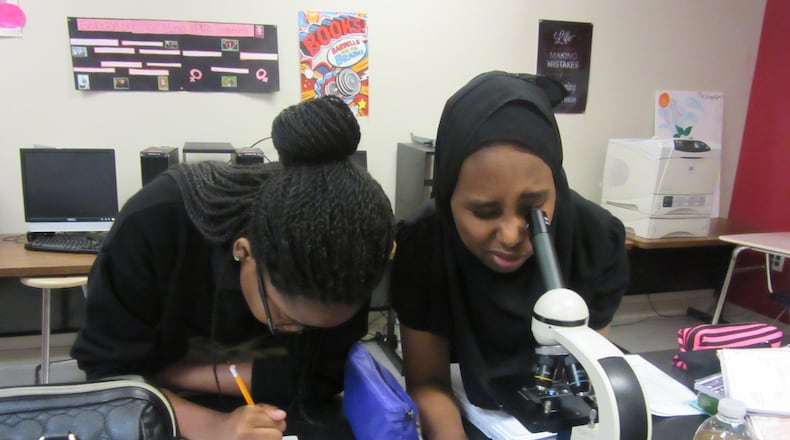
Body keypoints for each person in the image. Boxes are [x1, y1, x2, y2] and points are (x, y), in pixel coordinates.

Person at [71, 95, 395, 440]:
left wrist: (171, 373)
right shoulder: (155, 226)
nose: (299, 332)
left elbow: (320, 376)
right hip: (156, 407)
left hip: (273, 406)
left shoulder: (350, 255)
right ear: (244, 251)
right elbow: (111, 379)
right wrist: (215, 427)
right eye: (284, 320)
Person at [389, 71, 628, 439]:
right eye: (484, 212)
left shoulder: (595, 238)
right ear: (448, 194)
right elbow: (427, 381)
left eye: (533, 208)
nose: (512, 235)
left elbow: (586, 377)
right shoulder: (425, 244)